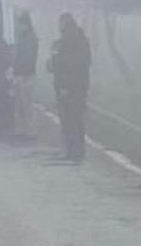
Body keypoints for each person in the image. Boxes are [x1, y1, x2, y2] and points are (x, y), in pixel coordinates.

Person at [47, 13, 91, 163]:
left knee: (71, 120)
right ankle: (73, 151)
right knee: (70, 120)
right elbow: (57, 64)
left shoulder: (72, 41)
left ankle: (75, 152)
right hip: (70, 86)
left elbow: (73, 66)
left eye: (60, 22)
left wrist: (66, 86)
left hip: (72, 87)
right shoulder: (65, 42)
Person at [12, 10, 39, 141]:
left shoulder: (29, 38)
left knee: (27, 105)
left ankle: (30, 131)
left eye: (20, 23)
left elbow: (27, 58)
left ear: (25, 24)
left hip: (26, 75)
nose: (18, 26)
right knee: (20, 105)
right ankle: (22, 130)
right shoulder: (23, 37)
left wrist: (18, 72)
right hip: (21, 74)